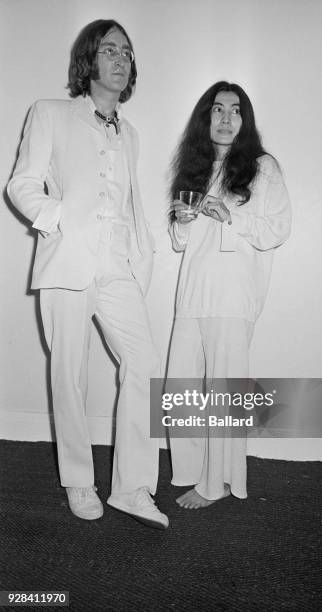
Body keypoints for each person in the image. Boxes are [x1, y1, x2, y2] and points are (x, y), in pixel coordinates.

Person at [7, 19, 168, 529]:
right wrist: (58, 222)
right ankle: (79, 480)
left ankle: (133, 487)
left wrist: (140, 253)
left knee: (143, 361)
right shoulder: (51, 113)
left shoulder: (132, 134)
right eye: (111, 50)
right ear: (89, 61)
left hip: (115, 266)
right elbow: (21, 185)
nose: (122, 60)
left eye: (128, 52)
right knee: (69, 376)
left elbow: (126, 201)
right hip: (67, 263)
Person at [167, 81, 291, 509]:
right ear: (206, 118)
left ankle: (217, 482)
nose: (224, 118)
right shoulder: (195, 169)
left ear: (245, 119)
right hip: (192, 291)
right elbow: (180, 242)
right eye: (216, 110)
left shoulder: (262, 167)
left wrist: (229, 218)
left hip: (233, 295)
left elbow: (277, 229)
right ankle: (190, 471)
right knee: (180, 386)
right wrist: (181, 219)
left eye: (234, 111)